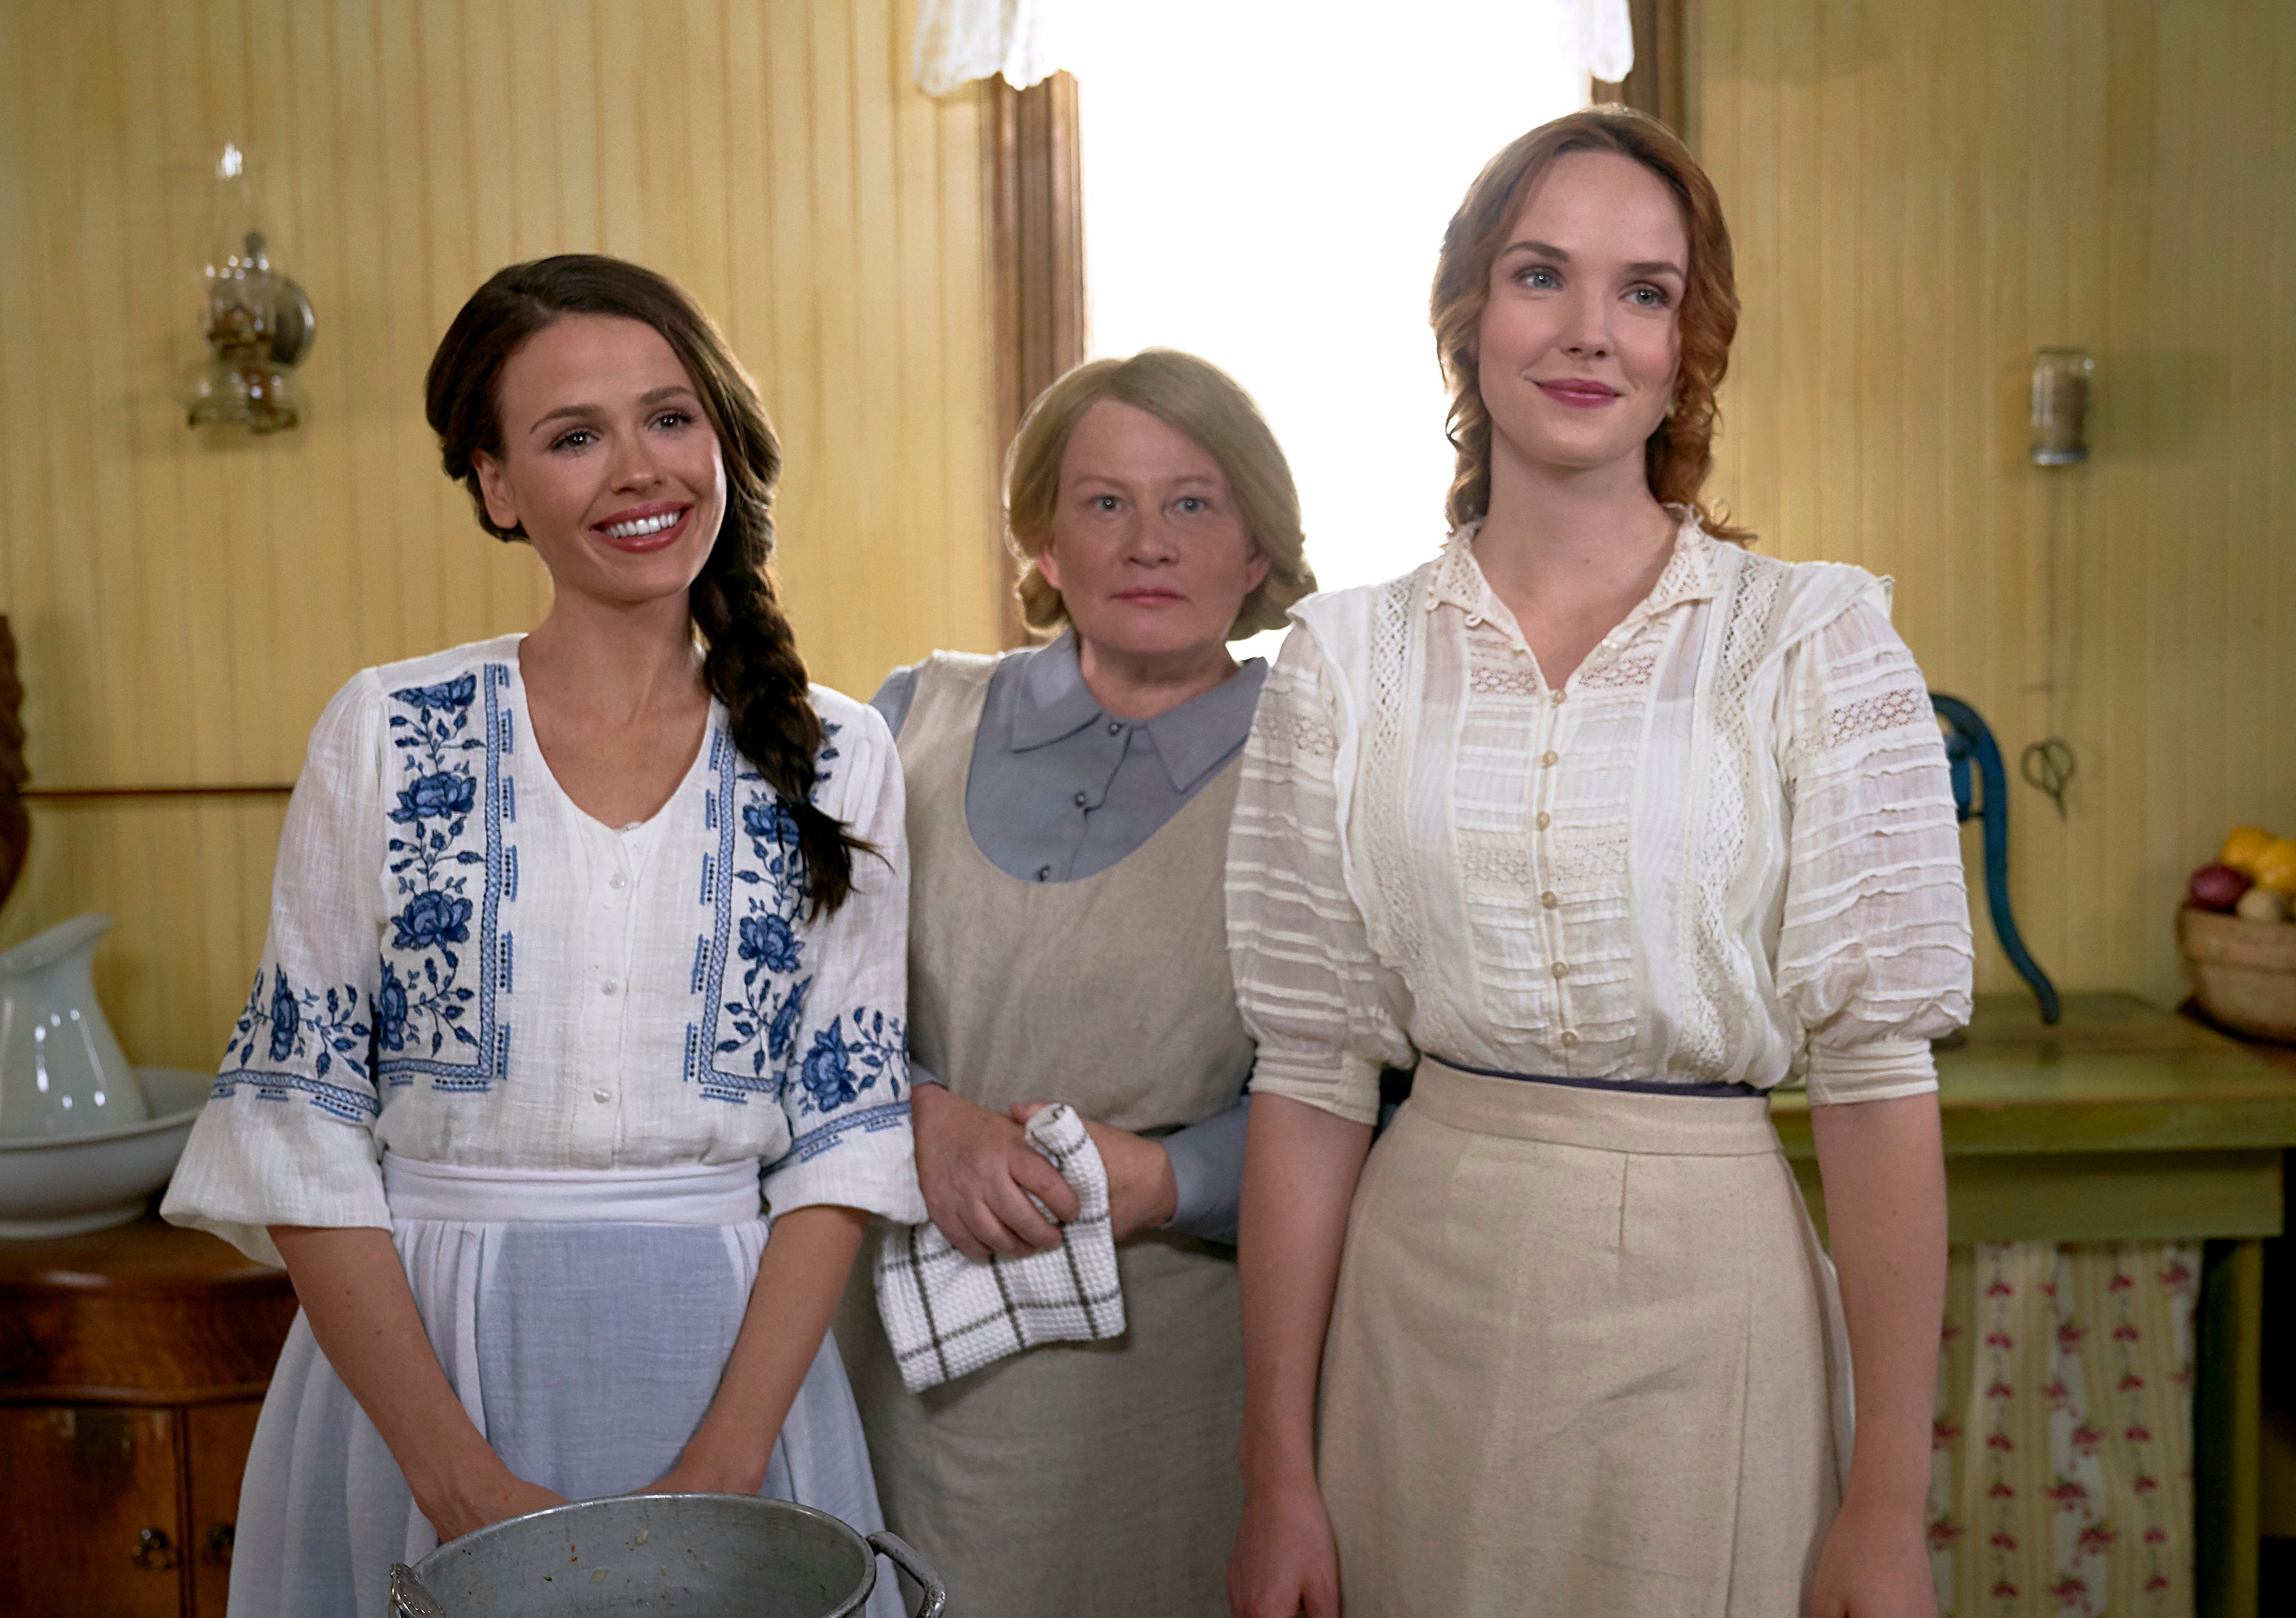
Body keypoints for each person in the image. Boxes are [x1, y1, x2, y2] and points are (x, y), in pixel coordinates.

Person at [1223, 108, 1972, 1618]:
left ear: (1691, 339)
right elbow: (1310, 1083)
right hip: (1417, 1309)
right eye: (1539, 274)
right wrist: (1276, 1474)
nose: (1587, 331)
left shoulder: (1813, 642)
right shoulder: (1344, 661)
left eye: (1643, 290)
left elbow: (1880, 1090)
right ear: (1467, 312)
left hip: (1717, 1307)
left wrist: (1889, 1499)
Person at [162, 254, 920, 1618]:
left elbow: (845, 1136)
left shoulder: (842, 756)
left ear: (723, 442)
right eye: (576, 436)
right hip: (423, 1383)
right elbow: (298, 1125)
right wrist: (457, 1487)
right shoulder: (387, 734)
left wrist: (728, 1467)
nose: (641, 469)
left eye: (670, 417)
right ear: (498, 485)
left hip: (735, 1368)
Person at [833, 349, 1315, 1617]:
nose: (1149, 541)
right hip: (903, 1380)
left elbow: (1373, 1079)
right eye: (1105, 502)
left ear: (1260, 547)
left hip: (1183, 1373)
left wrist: (1174, 1176)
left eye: (1194, 503)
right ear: (1045, 540)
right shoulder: (907, 722)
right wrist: (919, 1118)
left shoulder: (1319, 766)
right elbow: (810, 1008)